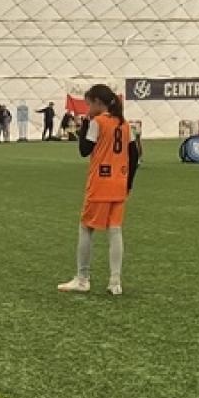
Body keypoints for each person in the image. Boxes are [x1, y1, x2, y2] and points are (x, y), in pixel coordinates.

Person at [58, 84, 139, 296]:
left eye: (88, 104)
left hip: (100, 184)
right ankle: (115, 282)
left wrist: (84, 126)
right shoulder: (124, 124)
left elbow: (84, 150)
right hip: (119, 184)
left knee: (86, 228)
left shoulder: (98, 122)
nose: (87, 108)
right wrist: (128, 181)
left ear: (97, 103)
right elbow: (135, 155)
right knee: (115, 231)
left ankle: (83, 278)